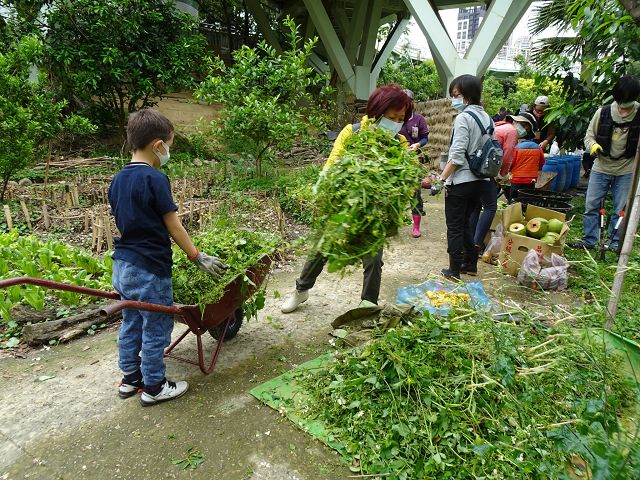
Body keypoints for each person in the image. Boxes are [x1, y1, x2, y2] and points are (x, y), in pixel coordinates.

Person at [108, 109, 226, 406]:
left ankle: (130, 379)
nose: (168, 152)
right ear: (158, 145)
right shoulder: (155, 178)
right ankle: (155, 387)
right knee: (157, 327)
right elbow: (173, 225)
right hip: (150, 267)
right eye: (169, 146)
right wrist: (197, 256)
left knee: (131, 322)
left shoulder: (117, 179)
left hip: (123, 265)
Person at [281, 84, 412, 313]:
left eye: (401, 119)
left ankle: (367, 305)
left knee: (373, 259)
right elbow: (332, 166)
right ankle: (301, 291)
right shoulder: (352, 132)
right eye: (393, 117)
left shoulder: (398, 144)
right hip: (343, 207)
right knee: (321, 249)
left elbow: (403, 183)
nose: (397, 123)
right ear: (378, 113)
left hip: (374, 212)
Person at [569, 75, 640, 251]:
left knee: (621, 209)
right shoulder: (603, 112)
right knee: (591, 205)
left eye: (627, 103)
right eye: (621, 102)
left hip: (626, 169)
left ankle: (615, 243)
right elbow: (589, 136)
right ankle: (589, 240)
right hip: (601, 167)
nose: (623, 108)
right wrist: (592, 146)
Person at [440, 75, 490, 279]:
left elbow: (457, 156)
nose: (454, 100)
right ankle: (470, 263)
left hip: (461, 181)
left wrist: (441, 179)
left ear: (468, 96)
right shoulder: (487, 117)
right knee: (466, 223)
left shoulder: (463, 118)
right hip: (481, 181)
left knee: (454, 225)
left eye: (456, 95)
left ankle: (453, 270)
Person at [399, 89, 429, 238]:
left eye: (409, 101)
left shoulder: (419, 120)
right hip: (396, 160)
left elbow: (425, 138)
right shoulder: (395, 118)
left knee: (414, 192)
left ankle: (416, 226)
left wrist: (417, 145)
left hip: (414, 161)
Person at [509, 113, 544, 201]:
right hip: (531, 180)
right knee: (527, 200)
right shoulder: (538, 147)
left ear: (528, 128)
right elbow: (541, 163)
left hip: (516, 179)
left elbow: (511, 163)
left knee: (513, 201)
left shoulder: (516, 148)